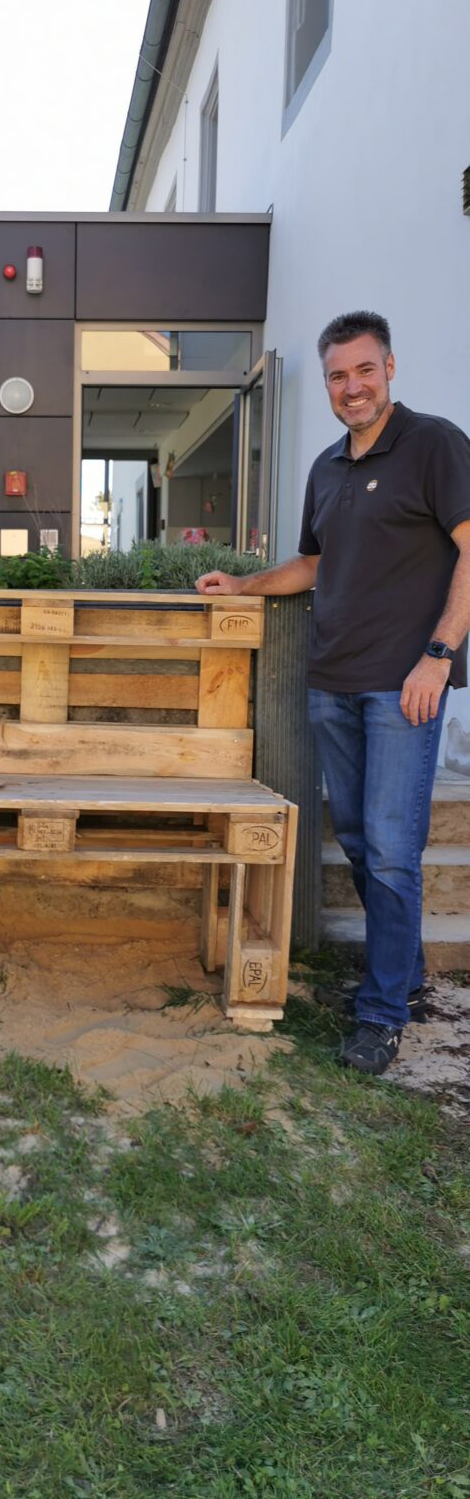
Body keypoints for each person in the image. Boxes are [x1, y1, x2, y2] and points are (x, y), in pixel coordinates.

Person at [196, 310, 470, 1075]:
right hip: (335, 683)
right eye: (338, 376)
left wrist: (439, 656)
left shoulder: (435, 445)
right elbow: (312, 565)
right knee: (356, 836)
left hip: (403, 686)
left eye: (364, 371)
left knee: (390, 852)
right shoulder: (327, 467)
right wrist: (245, 584)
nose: (352, 387)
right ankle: (406, 974)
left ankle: (382, 1015)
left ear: (390, 368)